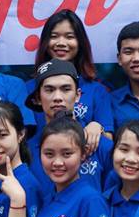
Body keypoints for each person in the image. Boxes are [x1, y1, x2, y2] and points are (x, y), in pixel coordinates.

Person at [27, 9, 114, 148]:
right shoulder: (29, 88)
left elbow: (108, 141)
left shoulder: (97, 90)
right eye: (54, 36)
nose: (61, 43)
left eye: (69, 37)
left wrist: (97, 127)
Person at [26, 59, 113, 195]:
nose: (57, 97)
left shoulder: (101, 146)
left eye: (66, 89)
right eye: (49, 90)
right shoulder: (27, 150)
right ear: (38, 98)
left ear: (78, 95)